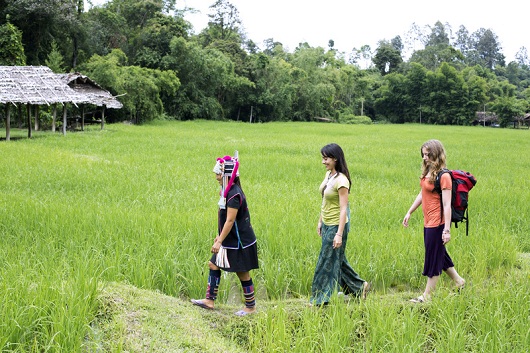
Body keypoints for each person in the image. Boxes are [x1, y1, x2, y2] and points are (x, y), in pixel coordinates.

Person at [191, 151, 259, 316]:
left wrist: (219, 240)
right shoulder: (227, 191)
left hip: (239, 241)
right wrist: (219, 236)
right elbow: (225, 221)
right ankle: (209, 300)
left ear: (227, 174)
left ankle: (250, 307)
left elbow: (230, 220)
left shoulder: (234, 194)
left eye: (219, 174)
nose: (216, 177)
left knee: (242, 273)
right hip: (230, 240)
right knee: (213, 264)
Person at [402, 139, 466, 303]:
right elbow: (422, 194)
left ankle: (427, 296)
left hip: (437, 223)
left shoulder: (444, 176)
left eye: (428, 154)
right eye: (423, 154)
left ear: (437, 154)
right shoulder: (428, 172)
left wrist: (446, 230)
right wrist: (410, 211)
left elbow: (446, 204)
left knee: (433, 257)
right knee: (440, 254)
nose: (425, 158)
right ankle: (459, 282)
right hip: (428, 221)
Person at [310, 143, 370, 306]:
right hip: (327, 223)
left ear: (335, 159)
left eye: (326, 158)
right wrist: (320, 221)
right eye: (322, 158)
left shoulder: (342, 181)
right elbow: (325, 199)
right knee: (337, 259)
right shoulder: (329, 175)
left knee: (326, 261)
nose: (323, 162)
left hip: (338, 225)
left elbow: (344, 208)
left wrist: (338, 234)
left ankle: (320, 298)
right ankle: (360, 287)